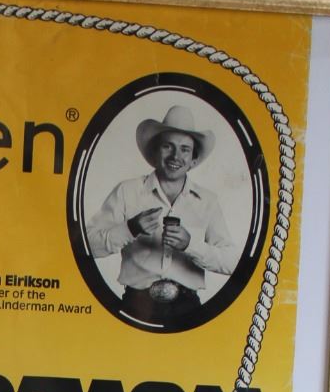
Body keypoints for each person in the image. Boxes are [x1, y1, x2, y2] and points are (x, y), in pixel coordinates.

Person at [85, 103, 238, 323]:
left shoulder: (208, 201)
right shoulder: (127, 191)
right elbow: (87, 246)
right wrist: (130, 229)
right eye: (168, 146)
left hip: (189, 310)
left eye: (185, 149)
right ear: (155, 152)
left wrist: (190, 245)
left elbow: (232, 262)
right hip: (135, 307)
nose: (176, 156)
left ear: (193, 160)